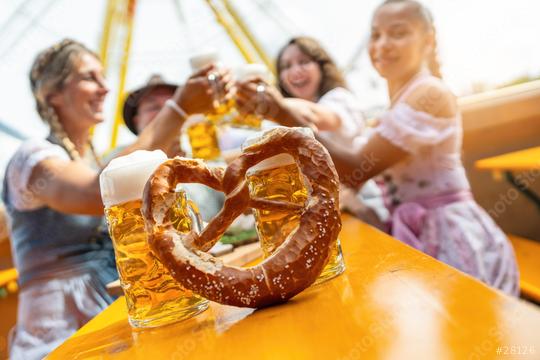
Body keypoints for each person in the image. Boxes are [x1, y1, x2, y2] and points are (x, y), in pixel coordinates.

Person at [237, 1, 519, 295]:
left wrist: (284, 116)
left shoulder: (429, 94)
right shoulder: (406, 98)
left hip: (451, 237)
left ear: (428, 39)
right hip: (420, 231)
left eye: (397, 33)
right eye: (375, 35)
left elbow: (358, 169)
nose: (382, 45)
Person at [2, 38, 231, 359]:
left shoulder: (89, 161)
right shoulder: (31, 158)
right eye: (88, 77)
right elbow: (92, 194)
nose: (105, 88)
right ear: (52, 94)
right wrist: (177, 109)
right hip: (60, 339)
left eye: (102, 77)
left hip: (117, 322)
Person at [238, 37, 388, 228]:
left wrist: (274, 107)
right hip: (318, 218)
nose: (295, 71)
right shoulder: (275, 122)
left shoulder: (339, 99)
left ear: (321, 67)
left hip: (361, 209)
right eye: (286, 66)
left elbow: (316, 117)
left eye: (304, 62)